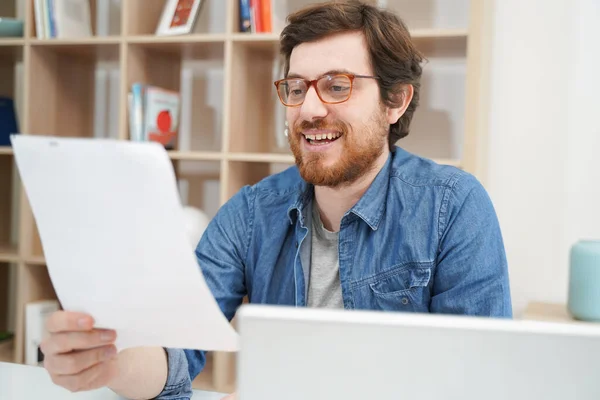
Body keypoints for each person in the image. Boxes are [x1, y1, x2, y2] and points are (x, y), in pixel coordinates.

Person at [40, 1, 512, 399]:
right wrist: (108, 364)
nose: (307, 110)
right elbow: (176, 348)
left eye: (336, 85)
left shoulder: (453, 206)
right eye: (296, 87)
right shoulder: (251, 213)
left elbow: (481, 381)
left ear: (396, 102)